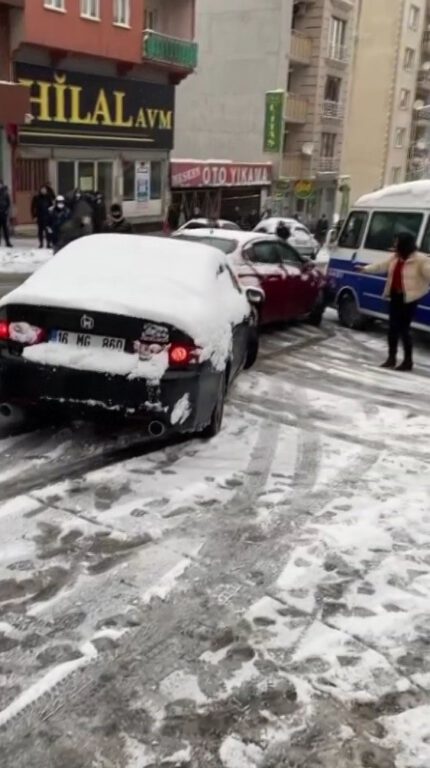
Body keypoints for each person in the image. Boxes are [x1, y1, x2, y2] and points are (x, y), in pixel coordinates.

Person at [358, 232, 430, 371]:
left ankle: (408, 361)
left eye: (397, 241)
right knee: (392, 328)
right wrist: (365, 269)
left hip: (409, 298)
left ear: (404, 243)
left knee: (404, 329)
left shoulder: (420, 260)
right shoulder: (395, 257)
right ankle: (391, 358)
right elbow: (381, 266)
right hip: (395, 296)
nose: (395, 244)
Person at [0, 181, 12, 248]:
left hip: (4, 213)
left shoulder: (5, 193)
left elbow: (8, 203)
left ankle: (7, 242)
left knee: (5, 229)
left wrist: (6, 211)